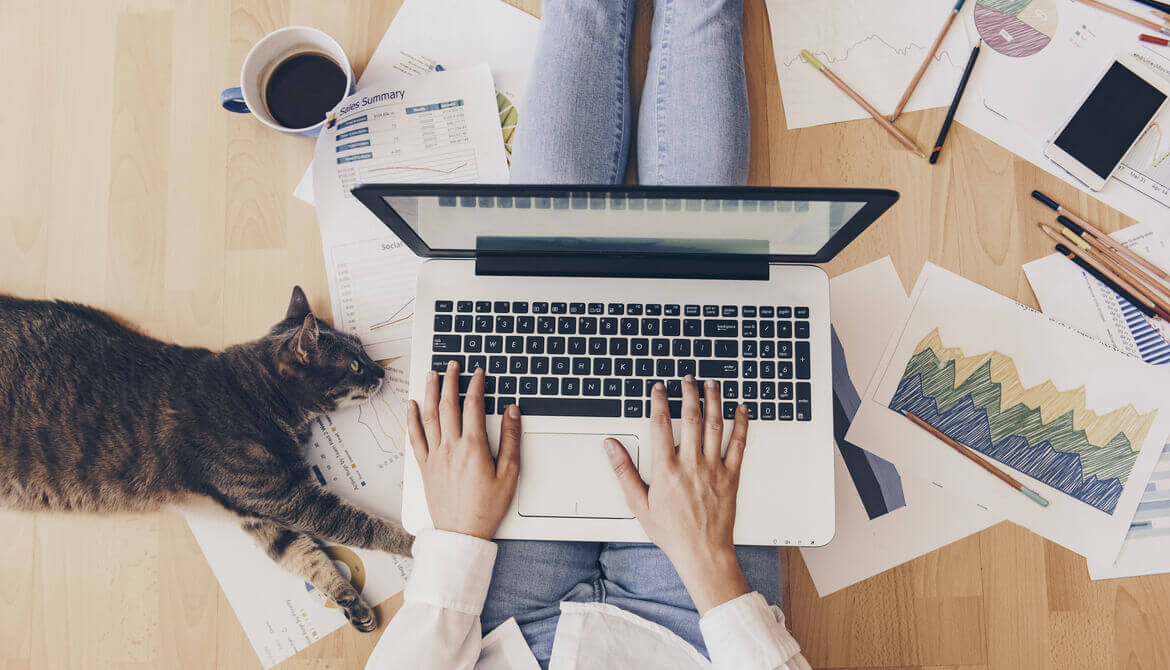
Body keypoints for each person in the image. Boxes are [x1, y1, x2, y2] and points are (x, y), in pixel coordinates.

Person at [366, 1, 809, 666]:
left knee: (543, 269)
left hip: (500, 631)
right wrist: (712, 563)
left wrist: (456, 538)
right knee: (701, 279)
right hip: (693, 635)